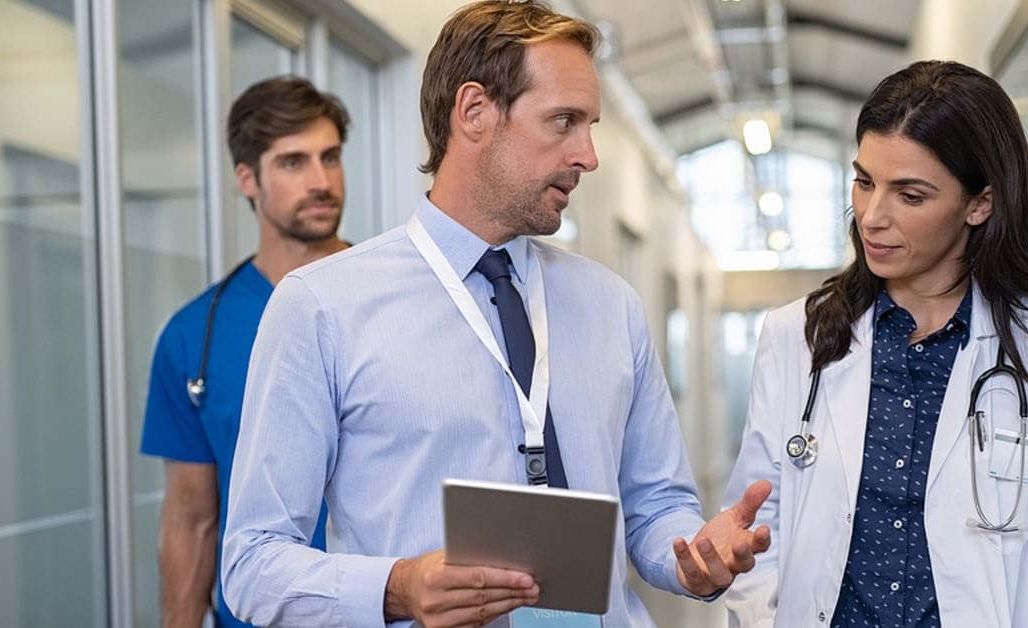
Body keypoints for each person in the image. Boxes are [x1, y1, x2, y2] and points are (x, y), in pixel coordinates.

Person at [220, 2, 771, 627]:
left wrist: (693, 555)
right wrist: (397, 587)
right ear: (475, 112)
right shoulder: (322, 307)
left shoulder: (611, 306)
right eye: (563, 121)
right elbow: (252, 563)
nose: (588, 155)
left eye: (589, 125)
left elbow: (655, 507)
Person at [722, 59, 1028, 627]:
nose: (872, 216)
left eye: (911, 195)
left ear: (980, 203)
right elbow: (756, 524)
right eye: (864, 181)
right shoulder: (797, 337)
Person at [140, 76, 351, 628]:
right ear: (247, 179)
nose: (321, 180)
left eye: (330, 157)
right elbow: (191, 520)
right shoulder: (193, 337)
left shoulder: (397, 299)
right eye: (293, 162)